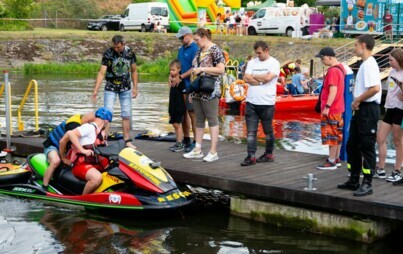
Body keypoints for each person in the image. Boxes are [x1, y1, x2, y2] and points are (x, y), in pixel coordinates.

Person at [337, 34, 382, 196]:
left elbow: (375, 88)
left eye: (355, 45)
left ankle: (367, 183)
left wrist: (357, 101)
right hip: (361, 109)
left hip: (368, 109)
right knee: (352, 144)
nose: (353, 48)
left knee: (366, 146)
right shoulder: (364, 64)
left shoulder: (369, 64)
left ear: (363, 45)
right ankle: (354, 178)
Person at [183, 28, 225, 162]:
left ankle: (213, 151)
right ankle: (198, 149)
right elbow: (194, 71)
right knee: (199, 119)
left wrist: (202, 69)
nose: (195, 42)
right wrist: (191, 90)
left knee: (212, 119)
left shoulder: (215, 50)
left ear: (204, 37)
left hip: (210, 89)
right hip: (198, 89)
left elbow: (221, 69)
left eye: (197, 40)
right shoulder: (198, 51)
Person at [92, 35, 138, 149]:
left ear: (123, 44)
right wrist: (95, 90)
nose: (116, 49)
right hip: (110, 87)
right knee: (107, 114)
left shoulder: (130, 53)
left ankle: (127, 140)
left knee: (126, 114)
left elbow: (134, 70)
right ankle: (104, 139)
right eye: (114, 47)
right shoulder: (108, 53)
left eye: (118, 47)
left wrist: (135, 87)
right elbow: (102, 72)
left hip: (125, 88)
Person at [241, 41, 280, 166]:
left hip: (267, 102)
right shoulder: (252, 62)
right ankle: (251, 156)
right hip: (251, 101)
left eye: (260, 53)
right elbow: (246, 78)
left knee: (268, 131)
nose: (258, 55)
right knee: (251, 132)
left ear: (266, 50)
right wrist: (262, 80)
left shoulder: (274, 63)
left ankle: (269, 154)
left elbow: (269, 78)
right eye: (256, 53)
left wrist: (255, 76)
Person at [59, 107, 113, 195]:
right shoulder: (89, 128)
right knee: (97, 178)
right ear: (106, 121)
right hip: (81, 165)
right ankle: (82, 200)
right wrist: (82, 150)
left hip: (94, 164)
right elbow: (70, 134)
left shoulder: (99, 133)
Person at [41, 112, 96, 191]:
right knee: (56, 161)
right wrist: (63, 158)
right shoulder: (73, 125)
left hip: (65, 149)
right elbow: (62, 143)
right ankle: (44, 186)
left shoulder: (81, 120)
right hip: (52, 146)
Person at [314, 47, 346, 170]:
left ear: (329, 57)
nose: (322, 61)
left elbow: (333, 90)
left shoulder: (332, 71)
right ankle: (336, 158)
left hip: (331, 109)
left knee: (331, 135)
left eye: (322, 58)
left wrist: (327, 106)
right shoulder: (341, 68)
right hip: (339, 108)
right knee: (338, 134)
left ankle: (331, 161)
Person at [375, 48, 403, 183]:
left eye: (391, 60)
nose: (389, 62)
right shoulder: (392, 72)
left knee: (397, 141)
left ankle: (397, 170)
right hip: (390, 108)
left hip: (400, 109)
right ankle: (380, 168)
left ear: (399, 60)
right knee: (380, 138)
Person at [172, 26, 199, 153]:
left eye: (182, 38)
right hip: (181, 85)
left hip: (191, 85)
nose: (180, 40)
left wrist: (181, 76)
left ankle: (195, 141)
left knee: (192, 113)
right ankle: (186, 139)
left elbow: (194, 68)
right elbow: (177, 65)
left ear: (188, 35)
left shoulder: (195, 49)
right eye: (179, 39)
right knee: (183, 113)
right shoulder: (181, 49)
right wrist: (171, 75)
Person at [167, 59, 187, 152]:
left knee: (177, 124)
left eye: (173, 70)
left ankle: (180, 143)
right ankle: (177, 141)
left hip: (179, 106)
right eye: (170, 70)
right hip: (172, 105)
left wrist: (185, 105)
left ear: (179, 69)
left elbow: (184, 94)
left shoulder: (180, 81)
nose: (171, 72)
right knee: (174, 124)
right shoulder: (171, 80)